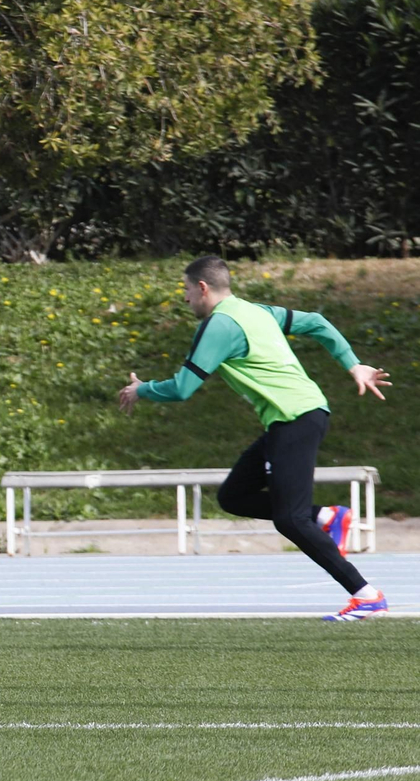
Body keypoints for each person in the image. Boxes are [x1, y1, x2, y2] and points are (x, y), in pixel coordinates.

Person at [118, 255, 391, 621]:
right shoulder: (255, 311)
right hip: (297, 417)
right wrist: (352, 362)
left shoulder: (219, 326)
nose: (184, 299)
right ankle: (328, 516)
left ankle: (366, 595)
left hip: (294, 418)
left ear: (202, 288)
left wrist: (142, 390)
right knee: (233, 496)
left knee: (290, 520)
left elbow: (183, 388)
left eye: (185, 290)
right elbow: (318, 322)